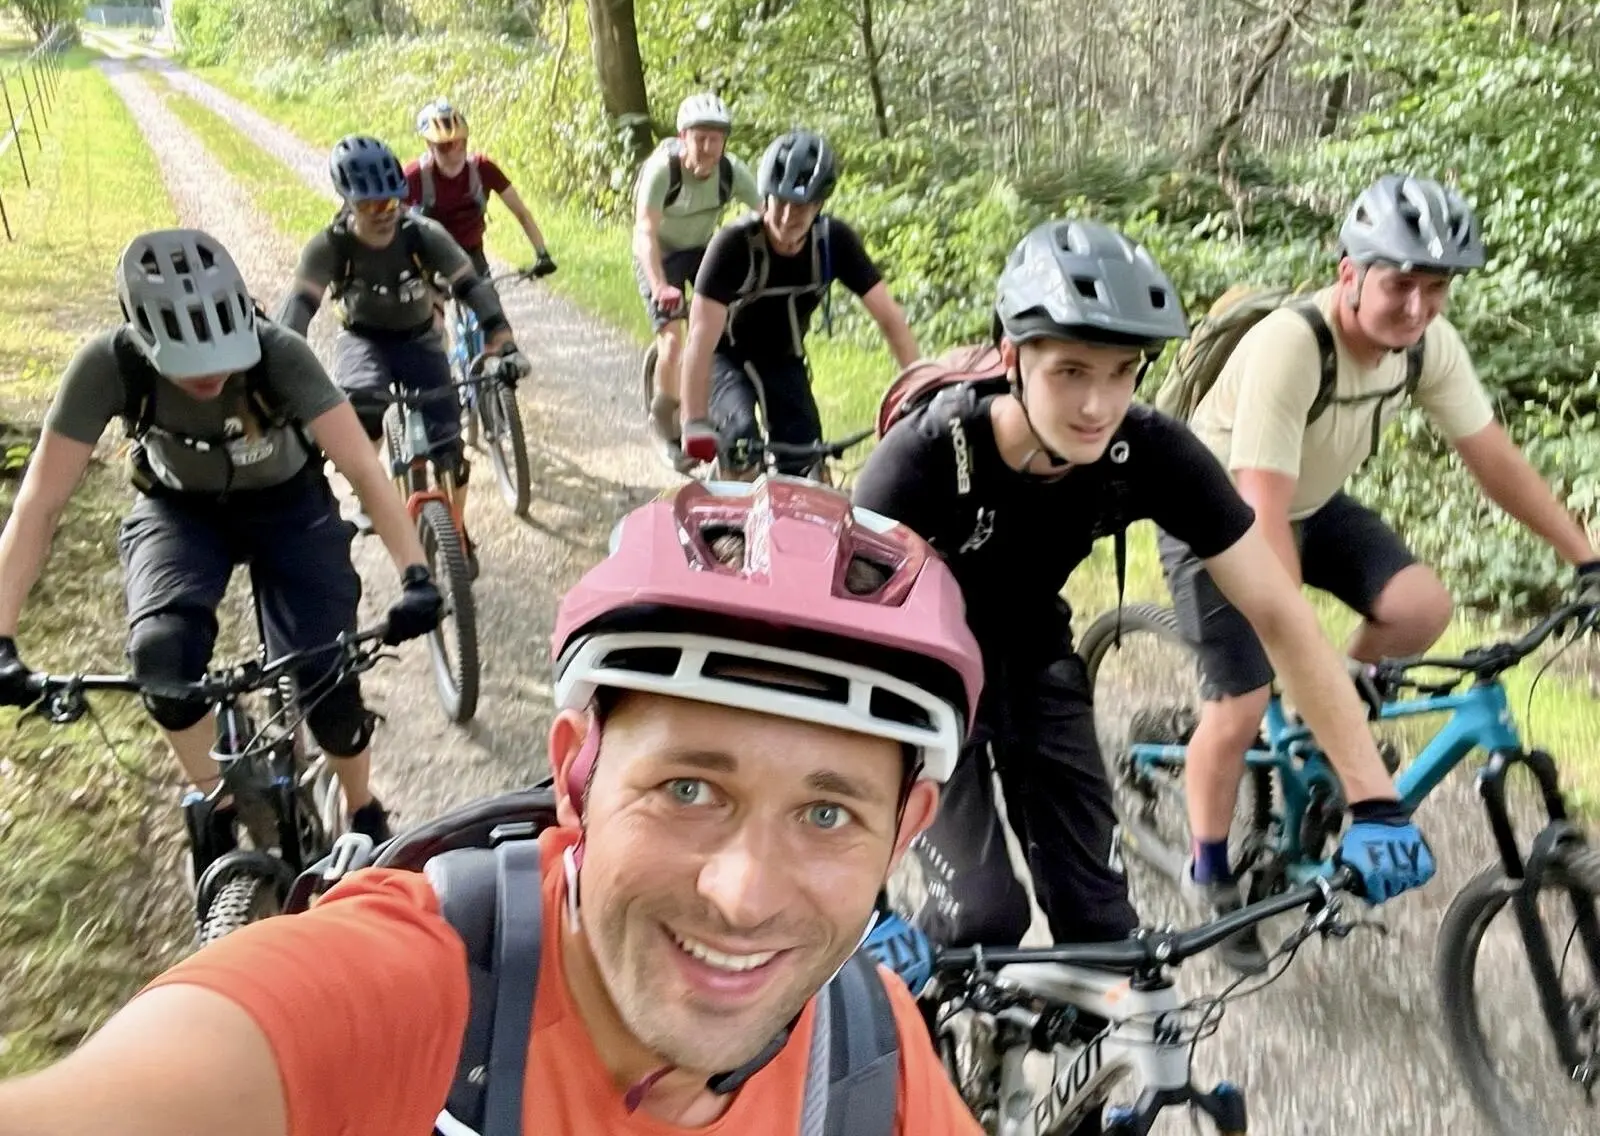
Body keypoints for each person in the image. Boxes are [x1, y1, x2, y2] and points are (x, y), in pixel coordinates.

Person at [0, 477, 987, 1136]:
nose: (742, 896)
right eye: (688, 789)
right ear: (576, 778)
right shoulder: (420, 991)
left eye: (827, 815)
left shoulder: (872, 1056)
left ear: (904, 830)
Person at [850, 218, 1436, 984]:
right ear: (1012, 357)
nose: (1098, 405)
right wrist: (860, 905)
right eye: (1070, 371)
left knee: (1106, 931)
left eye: (1123, 371)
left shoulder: (1149, 450)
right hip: (920, 675)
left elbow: (1280, 614)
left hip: (1033, 655)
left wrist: (1375, 799)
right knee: (980, 917)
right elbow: (841, 661)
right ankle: (907, 1032)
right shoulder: (925, 459)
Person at [1165, 173, 1600, 959]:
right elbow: (1260, 524)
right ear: (1350, 274)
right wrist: (1304, 658)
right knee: (1241, 702)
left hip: (1307, 497)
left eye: (1436, 288)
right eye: (1400, 284)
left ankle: (1321, 724)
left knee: (1421, 607)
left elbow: (1494, 459)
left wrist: (1587, 559)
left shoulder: (1427, 344)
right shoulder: (1292, 345)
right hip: (1219, 511)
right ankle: (1211, 872)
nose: (1417, 307)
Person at [0, 229, 445, 845]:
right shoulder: (109, 365)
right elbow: (40, 505)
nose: (210, 376)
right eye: (188, 367)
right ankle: (225, 800)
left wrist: (416, 575)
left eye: (221, 358)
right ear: (143, 338)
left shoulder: (279, 354)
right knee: (162, 660)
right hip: (178, 511)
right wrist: (2, 635)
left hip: (290, 505)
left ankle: (363, 806)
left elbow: (363, 470)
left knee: (328, 678)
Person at [278, 135, 528, 558]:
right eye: (370, 205)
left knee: (450, 448)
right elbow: (297, 312)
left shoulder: (423, 235)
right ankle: (369, 493)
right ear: (347, 201)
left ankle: (456, 530)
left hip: (420, 339)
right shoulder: (330, 246)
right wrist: (285, 379)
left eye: (392, 201)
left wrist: (502, 339)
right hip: (364, 339)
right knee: (361, 409)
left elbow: (470, 285)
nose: (384, 213)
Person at [679, 128, 919, 477]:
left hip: (782, 357)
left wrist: (920, 390)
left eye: (801, 206)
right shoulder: (732, 246)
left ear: (819, 205)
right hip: (724, 358)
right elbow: (700, 339)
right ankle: (726, 500)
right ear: (766, 197)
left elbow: (890, 318)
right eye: (780, 202)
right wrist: (693, 421)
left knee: (808, 463)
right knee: (741, 444)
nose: (787, 216)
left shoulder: (834, 242)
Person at [634, 92, 762, 467]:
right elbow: (644, 232)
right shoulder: (664, 171)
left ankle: (723, 403)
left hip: (702, 249)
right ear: (683, 137)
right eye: (699, 138)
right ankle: (665, 424)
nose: (707, 148)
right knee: (673, 343)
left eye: (715, 139)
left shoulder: (731, 172)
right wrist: (660, 285)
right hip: (659, 253)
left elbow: (767, 216)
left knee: (727, 329)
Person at [405, 98, 557, 310]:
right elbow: (393, 223)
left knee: (492, 313)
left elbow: (521, 212)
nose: (455, 153)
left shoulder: (483, 169)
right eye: (445, 147)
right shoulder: (413, 176)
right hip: (431, 258)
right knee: (428, 318)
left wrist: (542, 253)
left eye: (461, 143)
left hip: (471, 254)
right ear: (429, 145)